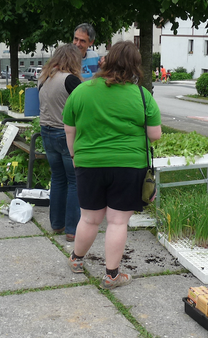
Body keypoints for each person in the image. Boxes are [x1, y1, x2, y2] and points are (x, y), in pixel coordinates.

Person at [63, 41, 162, 289]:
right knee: (118, 222)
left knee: (89, 219)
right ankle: (112, 275)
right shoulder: (142, 96)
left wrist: (75, 156)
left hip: (89, 163)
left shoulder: (82, 91)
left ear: (106, 60)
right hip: (129, 165)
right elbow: (155, 135)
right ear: (134, 67)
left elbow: (69, 129)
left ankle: (76, 260)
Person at [38, 44, 83, 242]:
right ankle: (72, 229)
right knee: (74, 181)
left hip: (46, 132)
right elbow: (85, 102)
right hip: (64, 134)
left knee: (57, 178)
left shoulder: (44, 78)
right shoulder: (71, 80)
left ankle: (57, 224)